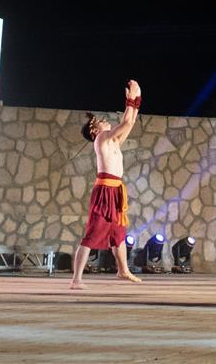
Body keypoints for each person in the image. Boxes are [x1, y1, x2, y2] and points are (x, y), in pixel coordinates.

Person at [69, 80, 143, 289]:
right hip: (105, 191)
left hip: (115, 191)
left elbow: (130, 122)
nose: (106, 121)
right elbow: (126, 123)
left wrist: (136, 101)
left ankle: (123, 270)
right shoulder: (100, 139)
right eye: (101, 121)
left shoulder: (113, 142)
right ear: (94, 130)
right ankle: (76, 280)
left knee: (118, 233)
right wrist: (130, 100)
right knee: (92, 234)